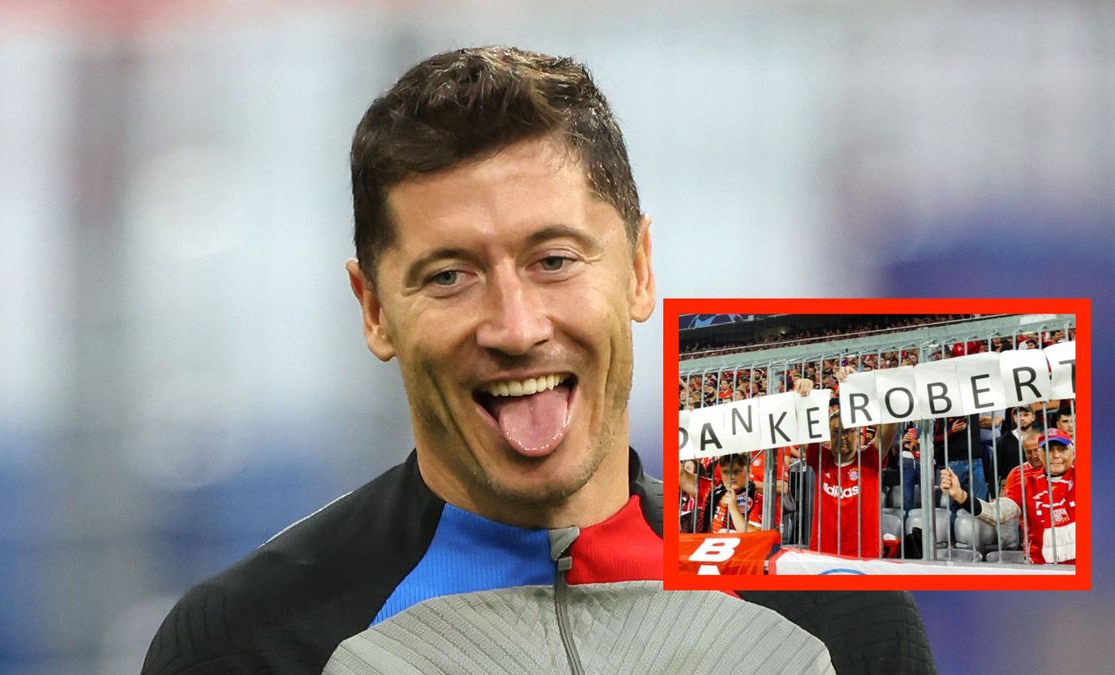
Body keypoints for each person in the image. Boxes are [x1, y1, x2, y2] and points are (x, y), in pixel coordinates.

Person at [142, 46, 932, 673]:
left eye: (553, 259)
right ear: (375, 309)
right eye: (450, 275)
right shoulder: (246, 646)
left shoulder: (835, 621)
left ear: (640, 269)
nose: (516, 327)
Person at [803, 367, 900, 559]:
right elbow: (807, 420)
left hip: (864, 554)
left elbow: (890, 420)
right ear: (827, 436)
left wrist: (862, 383)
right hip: (823, 553)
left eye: (848, 431)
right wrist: (807, 391)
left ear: (857, 434)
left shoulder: (871, 458)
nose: (843, 437)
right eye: (836, 431)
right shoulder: (819, 457)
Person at [941, 429, 1077, 565]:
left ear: (1073, 452)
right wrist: (960, 495)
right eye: (1048, 450)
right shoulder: (1025, 485)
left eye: (1062, 449)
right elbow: (995, 513)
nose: (1056, 455)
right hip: (1041, 567)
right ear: (1041, 454)